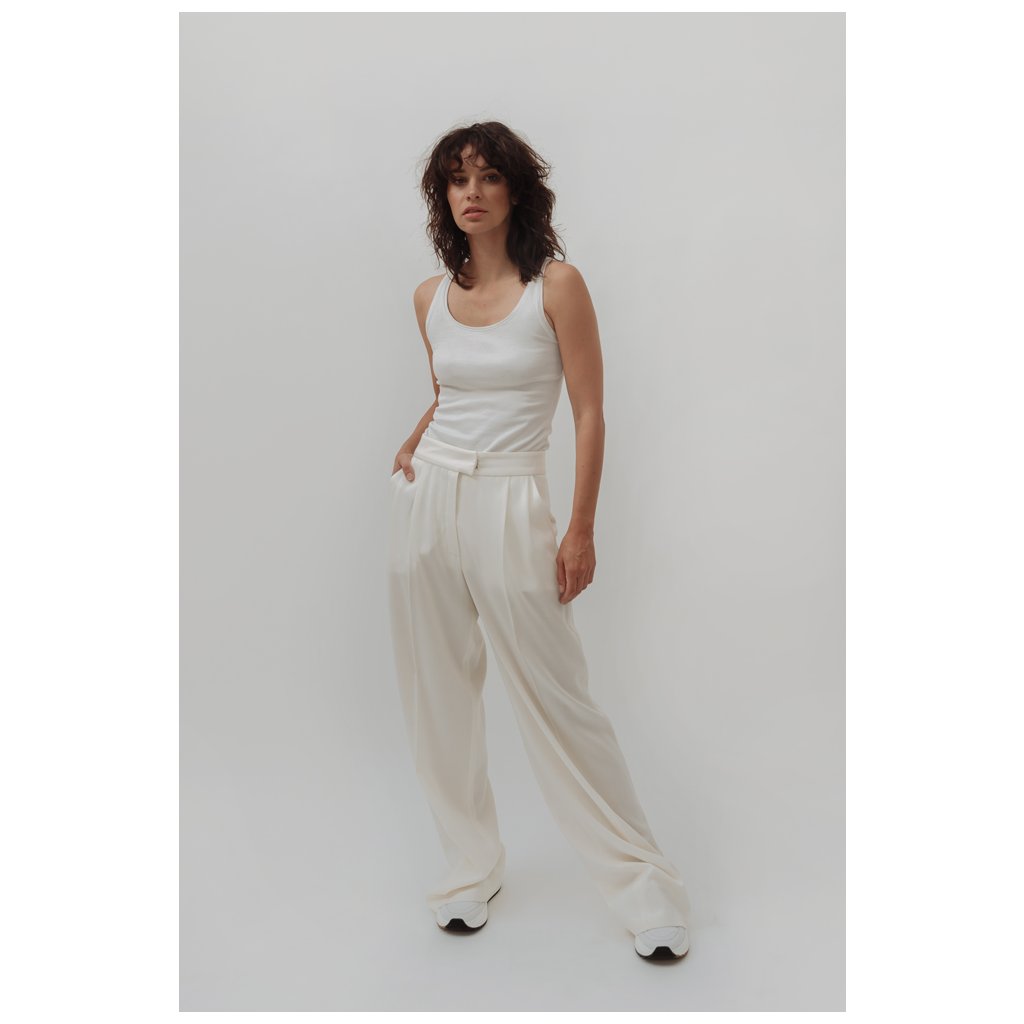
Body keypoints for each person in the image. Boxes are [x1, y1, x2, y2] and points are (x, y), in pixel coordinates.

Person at [387, 122, 691, 961]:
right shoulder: (429, 297)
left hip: (512, 501)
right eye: (457, 180)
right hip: (427, 502)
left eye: (488, 176)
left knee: (561, 703)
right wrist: (413, 442)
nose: (472, 192)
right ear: (443, 198)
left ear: (516, 190)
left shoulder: (556, 286)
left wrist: (581, 527)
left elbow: (588, 411)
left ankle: (644, 887)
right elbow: (452, 390)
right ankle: (469, 871)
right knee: (437, 697)